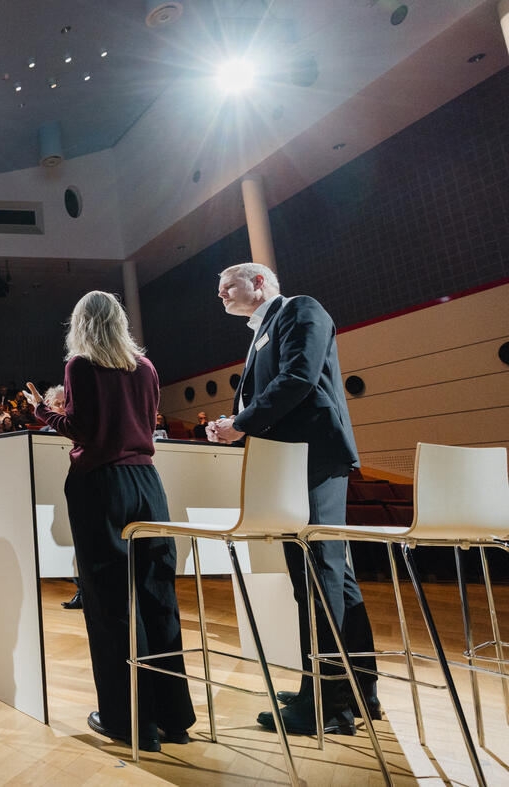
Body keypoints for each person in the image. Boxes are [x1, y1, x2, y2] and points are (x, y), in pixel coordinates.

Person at [208, 262, 377, 735]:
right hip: (288, 464)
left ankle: (325, 703)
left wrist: (239, 423)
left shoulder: (301, 309)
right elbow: (268, 395)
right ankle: (354, 689)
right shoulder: (261, 332)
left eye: (228, 286)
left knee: (318, 577)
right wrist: (233, 421)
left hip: (313, 458)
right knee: (330, 577)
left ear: (258, 282)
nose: (220, 295)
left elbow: (300, 377)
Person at [24, 290, 193, 753]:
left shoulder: (80, 365)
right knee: (159, 595)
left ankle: (128, 720)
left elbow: (82, 430)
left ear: (81, 324)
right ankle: (174, 718)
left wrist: (43, 412)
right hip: (148, 483)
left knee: (111, 602)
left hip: (101, 485)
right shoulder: (146, 367)